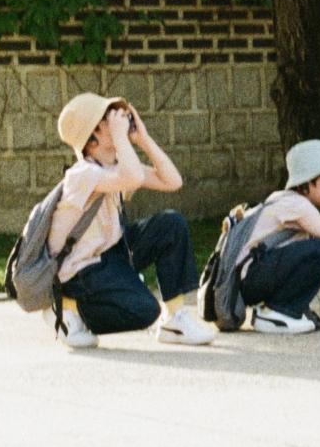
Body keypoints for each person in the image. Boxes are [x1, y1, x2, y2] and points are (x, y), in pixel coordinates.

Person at [48, 91, 216, 350]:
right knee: (145, 311)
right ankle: (68, 308)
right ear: (91, 137)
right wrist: (122, 138)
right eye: (107, 119)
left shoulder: (116, 167)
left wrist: (143, 139)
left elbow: (172, 181)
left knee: (170, 224)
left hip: (111, 253)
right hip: (81, 271)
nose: (118, 121)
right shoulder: (81, 174)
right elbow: (134, 177)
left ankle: (175, 318)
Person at [236, 139, 320, 334]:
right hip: (248, 282)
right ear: (308, 181)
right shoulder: (296, 206)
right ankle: (276, 313)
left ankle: (280, 311)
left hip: (247, 283)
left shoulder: (294, 203)